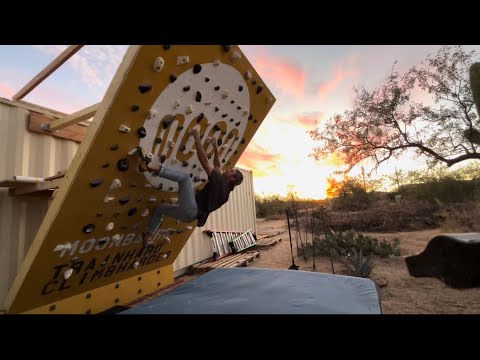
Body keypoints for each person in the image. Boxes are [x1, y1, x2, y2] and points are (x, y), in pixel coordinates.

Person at [139, 128, 244, 246]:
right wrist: (215, 148)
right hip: (189, 216)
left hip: (192, 208)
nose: (228, 170)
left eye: (231, 171)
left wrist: (196, 137)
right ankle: (147, 238)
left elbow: (204, 161)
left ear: (233, 178)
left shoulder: (220, 182)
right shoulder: (225, 191)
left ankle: (149, 166)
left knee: (184, 178)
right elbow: (217, 165)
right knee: (160, 209)